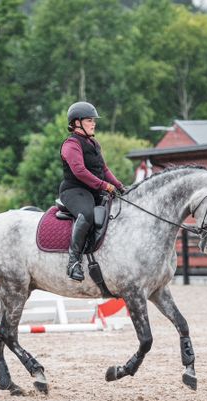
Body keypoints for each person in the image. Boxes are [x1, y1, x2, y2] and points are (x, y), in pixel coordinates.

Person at [59, 101, 126, 282]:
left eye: (93, 120)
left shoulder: (94, 143)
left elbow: (104, 170)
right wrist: (105, 186)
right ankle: (73, 262)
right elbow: (80, 171)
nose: (93, 123)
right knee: (87, 214)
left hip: (93, 191)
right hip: (74, 190)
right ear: (77, 122)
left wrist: (120, 186)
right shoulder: (71, 144)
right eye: (89, 120)